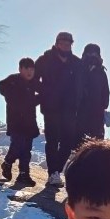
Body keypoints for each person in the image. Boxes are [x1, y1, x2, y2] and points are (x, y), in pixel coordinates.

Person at [34, 31, 81, 187]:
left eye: (68, 44)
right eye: (63, 43)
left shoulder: (76, 63)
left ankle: (57, 171)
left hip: (70, 108)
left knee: (68, 142)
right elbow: (33, 78)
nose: (65, 46)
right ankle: (52, 173)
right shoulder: (45, 59)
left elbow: (82, 84)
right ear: (57, 43)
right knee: (52, 141)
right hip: (51, 107)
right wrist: (45, 92)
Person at [0, 57, 40, 187]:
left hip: (29, 123)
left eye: (32, 69)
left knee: (26, 150)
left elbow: (44, 91)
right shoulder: (13, 81)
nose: (30, 72)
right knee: (17, 145)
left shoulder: (33, 83)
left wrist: (43, 97)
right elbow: (11, 95)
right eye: (26, 68)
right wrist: (33, 100)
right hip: (16, 122)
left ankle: (23, 174)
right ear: (20, 69)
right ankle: (7, 163)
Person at [75, 43, 110, 143]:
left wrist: (103, 106)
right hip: (79, 113)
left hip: (96, 114)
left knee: (96, 143)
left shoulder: (101, 72)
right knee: (77, 142)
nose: (91, 57)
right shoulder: (78, 70)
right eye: (89, 54)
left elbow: (106, 92)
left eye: (94, 54)